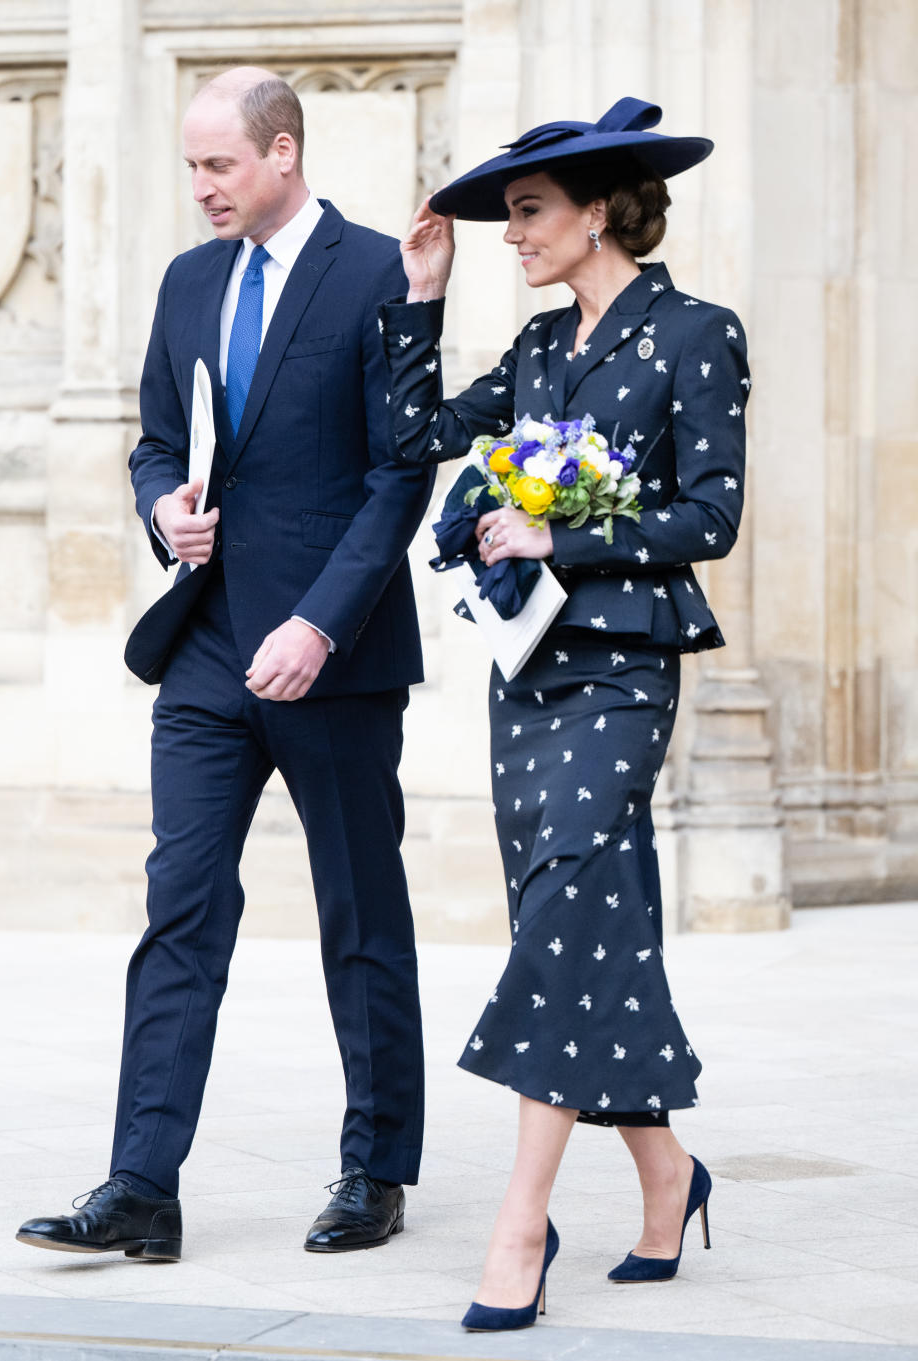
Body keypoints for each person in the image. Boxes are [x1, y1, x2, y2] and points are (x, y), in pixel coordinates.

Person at [16, 67, 433, 1262]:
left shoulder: (376, 273)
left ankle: (377, 1166)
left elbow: (399, 474)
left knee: (361, 916)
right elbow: (154, 439)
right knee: (179, 908)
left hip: (331, 656)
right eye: (192, 168)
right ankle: (143, 1182)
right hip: (203, 650)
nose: (200, 187)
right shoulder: (189, 280)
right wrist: (167, 509)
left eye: (219, 166)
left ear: (284, 152)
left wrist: (321, 623)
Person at [380, 97, 748, 1330]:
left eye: (527, 212)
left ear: (599, 210)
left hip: (626, 669)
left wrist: (562, 528)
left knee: (563, 907)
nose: (510, 233)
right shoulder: (538, 351)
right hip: (527, 674)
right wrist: (420, 294)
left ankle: (520, 1220)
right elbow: (416, 435)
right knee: (588, 921)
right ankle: (665, 1174)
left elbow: (711, 518)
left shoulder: (700, 332)